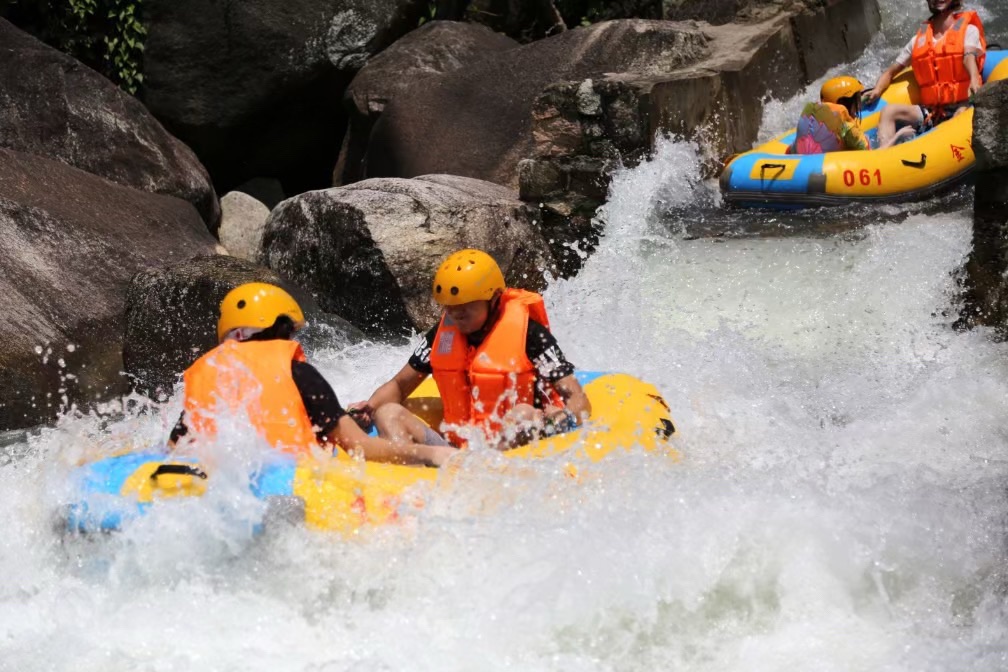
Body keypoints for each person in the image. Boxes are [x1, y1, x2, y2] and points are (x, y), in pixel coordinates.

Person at [168, 282, 454, 467]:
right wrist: (431, 454)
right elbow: (361, 448)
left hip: (218, 483)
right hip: (292, 487)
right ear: (280, 329)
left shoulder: (208, 374)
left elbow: (173, 449)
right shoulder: (298, 374)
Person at [352, 249, 592, 450]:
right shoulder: (442, 335)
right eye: (451, 307)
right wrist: (370, 407)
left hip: (514, 451)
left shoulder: (530, 336)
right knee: (388, 413)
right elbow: (400, 385)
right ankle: (413, 480)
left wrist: (562, 419)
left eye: (466, 305)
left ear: (495, 298)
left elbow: (577, 399)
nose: (456, 314)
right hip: (458, 452)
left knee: (523, 414)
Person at [865, 0, 986, 149]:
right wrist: (877, 90)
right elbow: (890, 72)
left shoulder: (968, 30)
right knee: (889, 111)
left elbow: (969, 56)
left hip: (962, 105)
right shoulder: (917, 40)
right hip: (931, 111)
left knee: (956, 120)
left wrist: (974, 79)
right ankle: (885, 156)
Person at [787, 76, 872, 154]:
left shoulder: (811, 116)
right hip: (828, 168)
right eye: (856, 102)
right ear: (843, 102)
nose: (858, 106)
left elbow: (790, 150)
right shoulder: (846, 126)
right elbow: (867, 151)